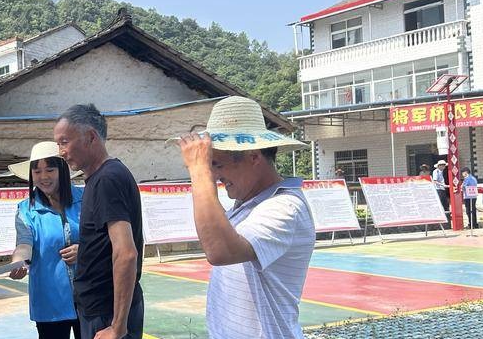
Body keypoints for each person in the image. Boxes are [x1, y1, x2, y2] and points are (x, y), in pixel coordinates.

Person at [176, 96, 314, 339]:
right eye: (210, 166)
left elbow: (219, 251)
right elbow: (216, 235)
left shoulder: (284, 206)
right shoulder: (249, 204)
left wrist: (199, 172)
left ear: (253, 156)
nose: (214, 175)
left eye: (217, 165)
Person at [54, 104, 144, 339]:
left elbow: (126, 253)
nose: (61, 151)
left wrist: (117, 326)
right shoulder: (103, 177)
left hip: (106, 313)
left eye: (64, 142)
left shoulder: (107, 180)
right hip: (101, 309)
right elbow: (107, 242)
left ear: (91, 137)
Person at [8, 141, 84, 339]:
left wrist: (84, 251)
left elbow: (104, 238)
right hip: (49, 302)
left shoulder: (86, 198)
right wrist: (18, 262)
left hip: (89, 298)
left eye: (50, 170)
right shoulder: (26, 209)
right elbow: (24, 243)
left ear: (63, 171)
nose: (43, 177)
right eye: (37, 171)